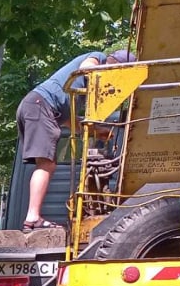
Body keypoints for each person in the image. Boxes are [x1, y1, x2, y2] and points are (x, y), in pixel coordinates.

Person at [16, 48, 135, 231]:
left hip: (38, 106)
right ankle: (32, 217)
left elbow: (67, 120)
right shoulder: (99, 58)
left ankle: (33, 217)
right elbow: (87, 66)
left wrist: (97, 130)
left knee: (47, 163)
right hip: (39, 106)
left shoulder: (74, 93)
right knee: (46, 164)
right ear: (114, 63)